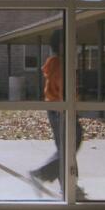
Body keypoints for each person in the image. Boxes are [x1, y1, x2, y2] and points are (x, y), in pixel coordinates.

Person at [29, 29, 85, 200]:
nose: (74, 45)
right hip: (62, 111)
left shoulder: (56, 62)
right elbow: (64, 91)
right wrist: (70, 109)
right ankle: (41, 174)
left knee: (65, 148)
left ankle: (68, 184)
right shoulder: (61, 65)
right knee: (70, 146)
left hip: (55, 110)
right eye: (71, 41)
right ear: (61, 44)